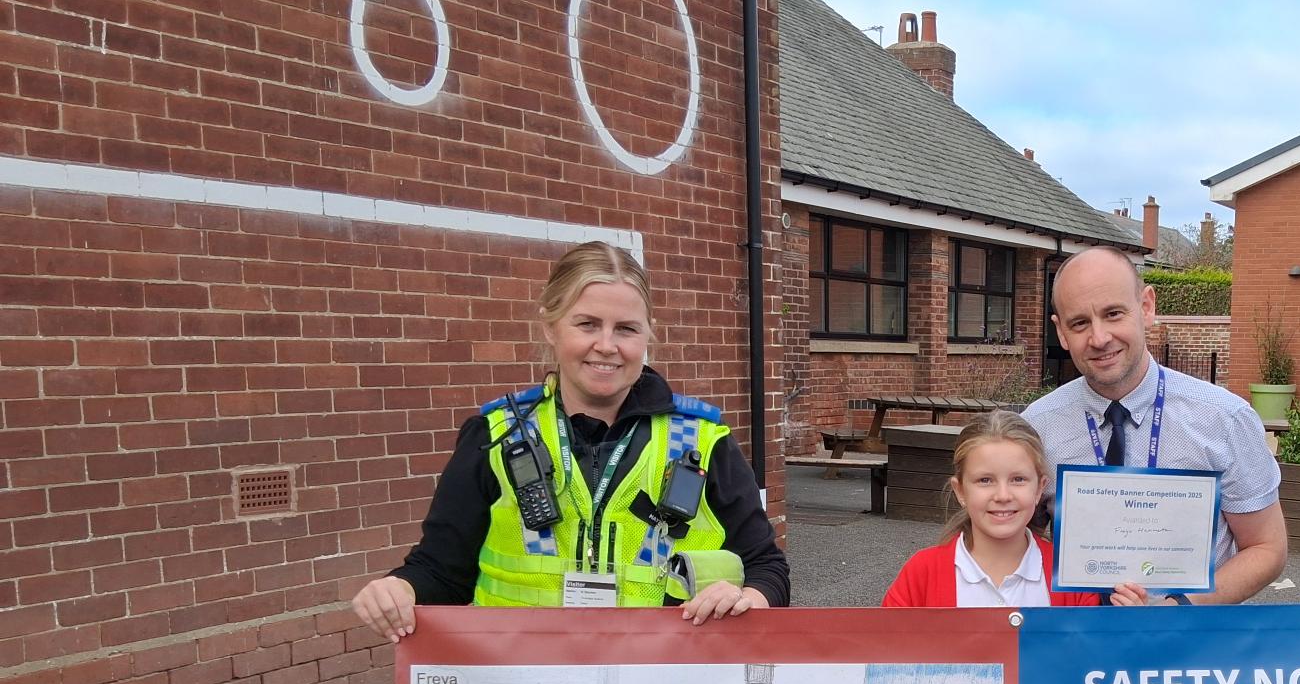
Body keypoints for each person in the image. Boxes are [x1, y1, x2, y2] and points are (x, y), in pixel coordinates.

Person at [351, 242, 787, 640]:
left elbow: (768, 569)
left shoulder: (704, 441)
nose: (606, 345)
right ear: (551, 327)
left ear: (648, 336)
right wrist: (398, 588)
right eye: (587, 324)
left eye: (626, 329)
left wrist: (748, 598)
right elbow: (442, 571)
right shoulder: (495, 436)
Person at [1025, 247, 1287, 604]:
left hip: (1188, 645)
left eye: (1113, 313)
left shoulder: (1225, 419)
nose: (1099, 338)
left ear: (1146, 307)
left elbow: (1266, 547)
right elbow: (1020, 541)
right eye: (1080, 323)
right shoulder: (1037, 428)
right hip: (1076, 644)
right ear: (1061, 332)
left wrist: (1176, 610)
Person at [882, 411, 1098, 608]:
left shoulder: (1070, 576)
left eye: (1018, 479)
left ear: (1040, 488)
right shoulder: (922, 572)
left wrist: (1129, 617)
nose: (1003, 496)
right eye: (985, 480)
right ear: (960, 491)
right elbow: (885, 646)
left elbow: (1096, 648)